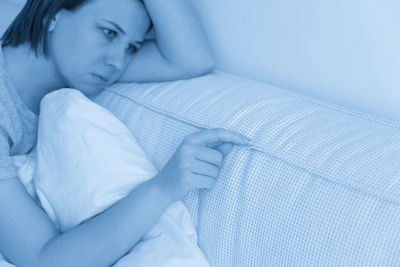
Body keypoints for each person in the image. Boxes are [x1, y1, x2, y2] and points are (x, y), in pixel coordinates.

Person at [0, 0, 250, 266]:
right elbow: (44, 259)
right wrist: (165, 186)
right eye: (109, 33)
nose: (117, 62)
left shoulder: (78, 67)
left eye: (133, 47)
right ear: (52, 16)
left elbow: (193, 58)